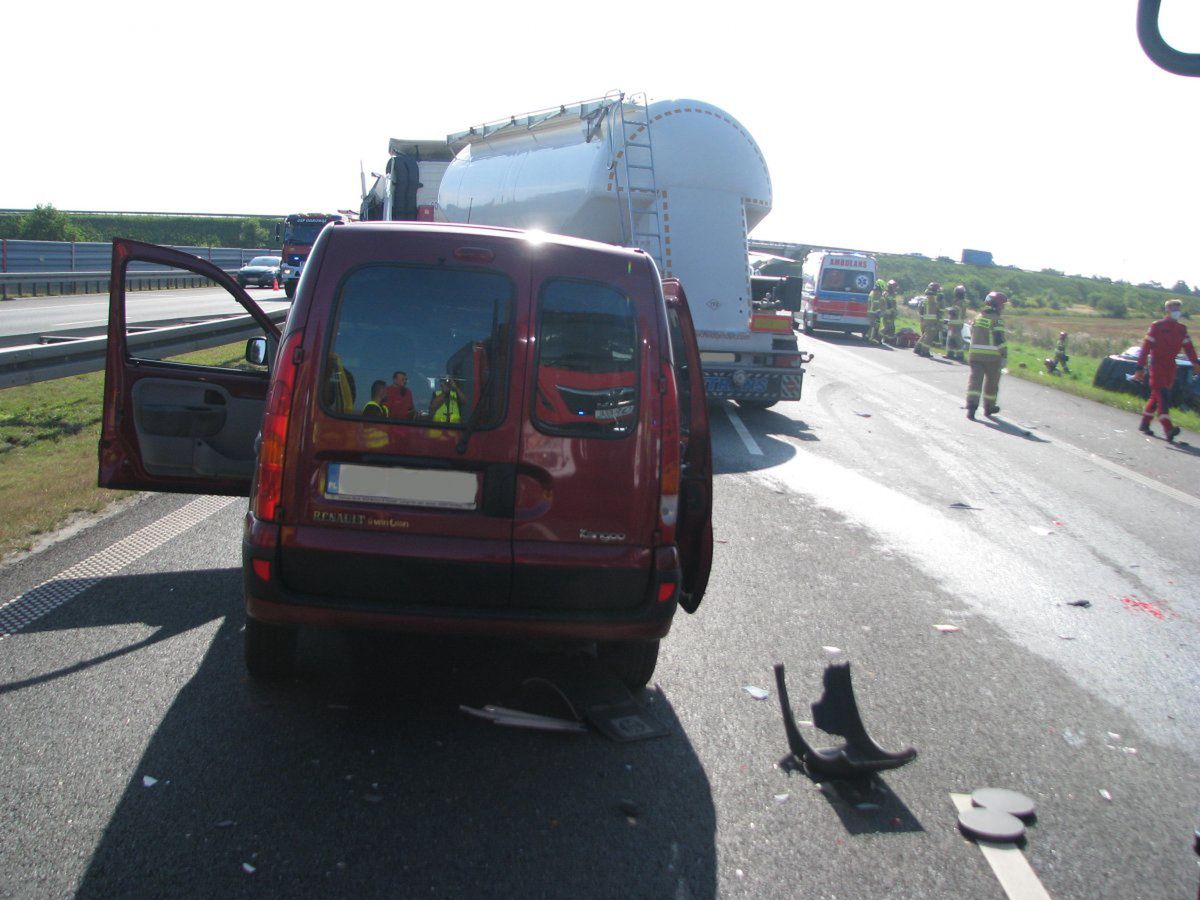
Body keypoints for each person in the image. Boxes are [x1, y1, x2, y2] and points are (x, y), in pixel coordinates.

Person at [1133, 299, 1199, 441]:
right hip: (1157, 365)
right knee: (1162, 395)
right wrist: (1140, 367)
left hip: (1171, 366)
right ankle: (1168, 428)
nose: (1177, 311)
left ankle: (1144, 423)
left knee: (1156, 396)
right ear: (1167, 310)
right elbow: (1145, 348)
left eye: (1178, 309)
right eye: (1174, 308)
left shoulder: (1182, 329)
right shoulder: (1157, 326)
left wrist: (1195, 363)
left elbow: (1189, 348)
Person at [966, 291, 1008, 420]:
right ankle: (989, 407)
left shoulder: (978, 317)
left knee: (974, 382)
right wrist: (1004, 355)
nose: (1003, 308)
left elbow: (972, 333)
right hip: (992, 358)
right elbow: (999, 339)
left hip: (974, 356)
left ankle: (971, 407)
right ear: (997, 305)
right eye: (1002, 305)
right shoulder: (997, 320)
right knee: (992, 383)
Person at [915, 282, 941, 357]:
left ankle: (917, 348)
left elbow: (921, 309)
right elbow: (937, 310)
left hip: (924, 320)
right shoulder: (933, 299)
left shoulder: (926, 298)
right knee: (929, 337)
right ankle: (925, 351)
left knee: (925, 335)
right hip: (931, 321)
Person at [944, 285, 967, 361]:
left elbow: (954, 312)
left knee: (957, 340)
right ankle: (950, 354)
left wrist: (947, 310)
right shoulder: (960, 301)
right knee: (951, 338)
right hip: (955, 323)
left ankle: (960, 356)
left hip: (956, 324)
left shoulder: (960, 302)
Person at [881, 279, 899, 344]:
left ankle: (888, 340)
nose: (895, 289)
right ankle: (877, 336)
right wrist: (889, 311)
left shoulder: (892, 294)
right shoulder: (886, 294)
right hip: (887, 314)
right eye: (894, 287)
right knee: (888, 327)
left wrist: (894, 312)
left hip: (891, 314)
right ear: (890, 287)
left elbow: (893, 305)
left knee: (892, 328)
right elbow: (886, 304)